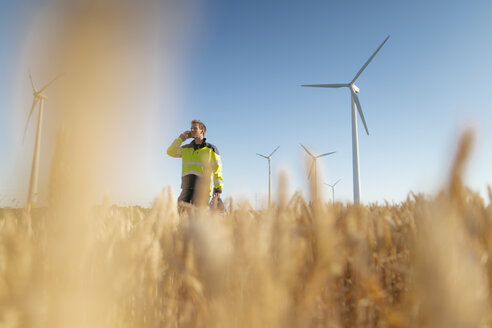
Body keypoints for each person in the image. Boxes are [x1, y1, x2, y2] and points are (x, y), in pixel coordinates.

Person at [167, 120, 223, 205]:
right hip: (186, 189)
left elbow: (217, 170)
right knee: (181, 216)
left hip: (202, 191)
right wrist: (181, 138)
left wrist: (217, 189)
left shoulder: (211, 149)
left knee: (197, 217)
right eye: (191, 128)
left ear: (202, 131)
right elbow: (170, 151)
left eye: (195, 128)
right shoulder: (186, 149)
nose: (192, 130)